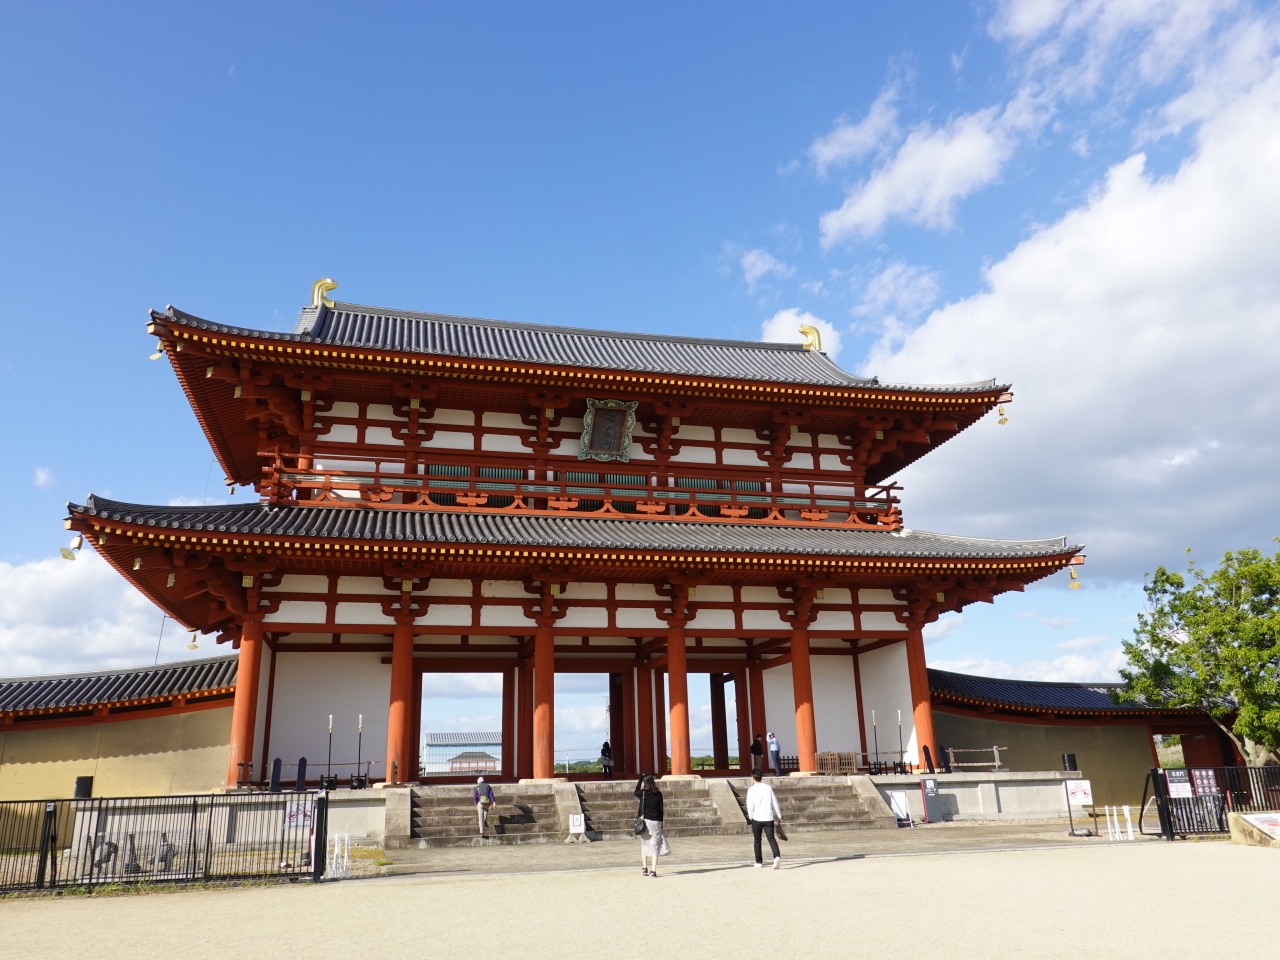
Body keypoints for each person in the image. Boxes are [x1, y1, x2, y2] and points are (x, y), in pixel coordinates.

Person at [746, 769, 783, 869]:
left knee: (757, 840)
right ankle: (777, 856)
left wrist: (750, 816)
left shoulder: (751, 789)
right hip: (768, 817)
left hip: (757, 818)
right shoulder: (768, 788)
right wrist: (779, 816)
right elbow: (774, 802)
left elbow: (750, 805)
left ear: (753, 778)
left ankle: (758, 861)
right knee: (771, 838)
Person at [634, 773, 669, 876]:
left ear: (644, 783)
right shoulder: (659, 794)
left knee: (644, 844)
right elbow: (661, 809)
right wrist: (661, 822)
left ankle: (644, 868)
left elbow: (635, 791)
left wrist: (640, 779)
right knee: (655, 845)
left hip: (645, 821)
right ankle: (653, 870)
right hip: (656, 821)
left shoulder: (643, 793)